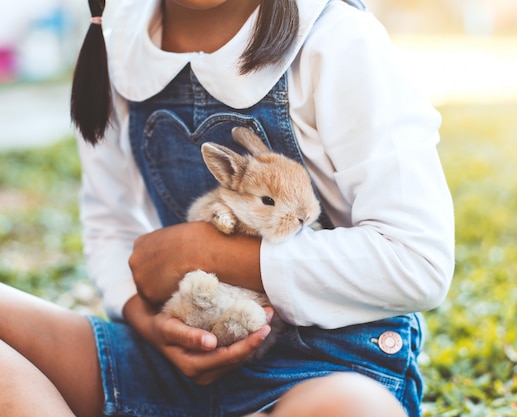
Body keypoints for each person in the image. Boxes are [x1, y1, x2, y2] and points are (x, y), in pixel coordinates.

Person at [0, 0, 455, 416]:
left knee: (353, 408)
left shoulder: (338, 41)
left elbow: (417, 261)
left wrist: (208, 254)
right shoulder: (118, 48)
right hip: (174, 360)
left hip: (325, 372)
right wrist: (149, 321)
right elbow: (110, 227)